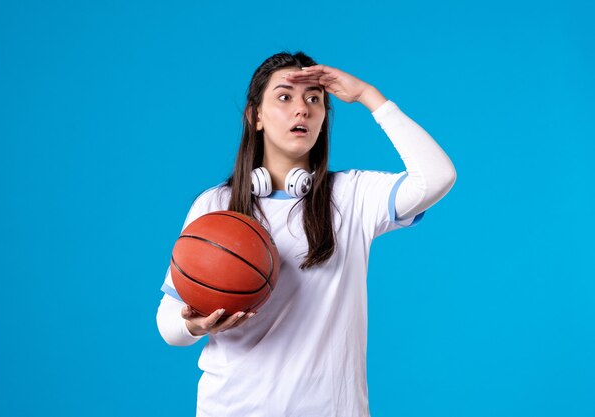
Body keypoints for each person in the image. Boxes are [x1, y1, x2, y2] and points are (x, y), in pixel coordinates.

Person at [156, 51, 456, 417]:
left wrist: (368, 96)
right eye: (285, 97)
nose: (302, 109)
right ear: (256, 117)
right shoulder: (216, 204)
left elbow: (438, 176)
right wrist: (193, 323)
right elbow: (168, 324)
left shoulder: (353, 195)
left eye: (314, 99)